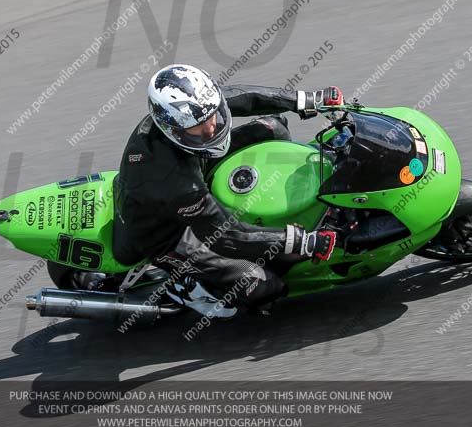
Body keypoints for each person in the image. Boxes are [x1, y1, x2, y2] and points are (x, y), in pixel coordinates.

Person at [112, 64, 342, 318]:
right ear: (173, 129)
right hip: (169, 234)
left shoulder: (187, 114)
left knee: (273, 129)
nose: (211, 128)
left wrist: (306, 100)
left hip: (195, 162)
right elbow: (227, 236)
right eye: (198, 127)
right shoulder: (176, 183)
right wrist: (301, 240)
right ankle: (187, 288)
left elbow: (240, 97)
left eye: (212, 115)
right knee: (263, 285)